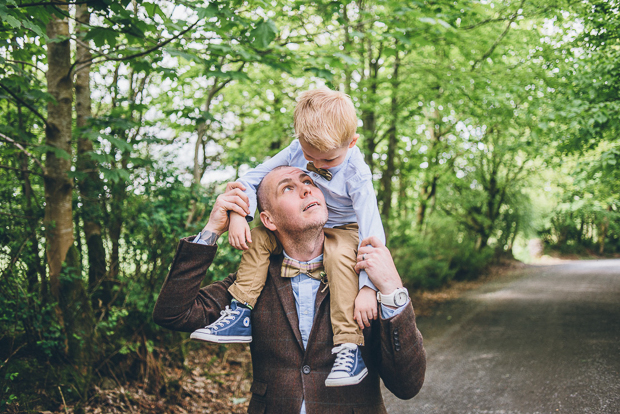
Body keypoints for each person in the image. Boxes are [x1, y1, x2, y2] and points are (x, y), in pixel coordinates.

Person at [153, 167, 426, 413]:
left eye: (308, 181)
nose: (306, 188)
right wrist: (212, 229)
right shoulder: (251, 281)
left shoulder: (365, 277)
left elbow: (407, 385)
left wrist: (392, 290)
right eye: (288, 187)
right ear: (269, 220)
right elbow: (173, 314)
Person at [189, 88, 386, 387]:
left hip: (345, 231)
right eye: (310, 157)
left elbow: (372, 231)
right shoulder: (296, 148)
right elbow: (252, 178)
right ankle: (241, 312)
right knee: (258, 238)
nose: (317, 167)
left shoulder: (358, 174)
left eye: (328, 160)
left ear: (352, 142)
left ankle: (349, 346)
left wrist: (369, 287)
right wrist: (241, 214)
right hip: (300, 225)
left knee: (339, 255)